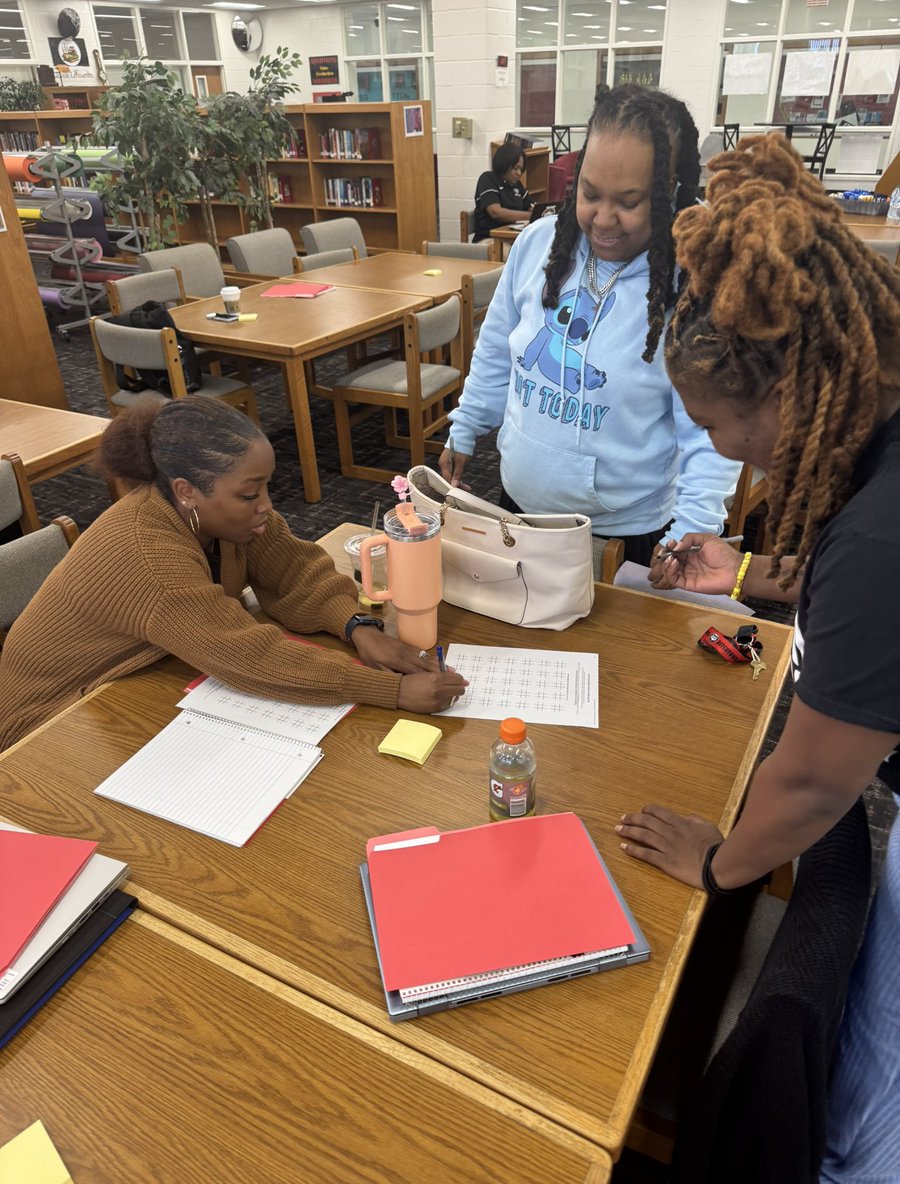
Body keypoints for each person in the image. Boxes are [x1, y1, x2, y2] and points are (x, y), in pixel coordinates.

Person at [617, 133, 900, 1184]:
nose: (726, 451)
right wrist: (755, 575)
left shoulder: (881, 541)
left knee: (861, 1149)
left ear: (789, 385)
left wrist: (719, 863)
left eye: (717, 424)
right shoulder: (876, 424)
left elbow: (821, 781)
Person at [0, 397, 466, 751]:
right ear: (187, 491)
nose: (264, 505)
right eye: (249, 493)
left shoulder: (219, 515)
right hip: (48, 723)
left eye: (266, 486)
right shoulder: (148, 555)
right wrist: (393, 690)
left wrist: (357, 625)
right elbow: (247, 656)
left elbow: (294, 572)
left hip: (133, 674)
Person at [443, 85, 742, 568]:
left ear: (671, 194)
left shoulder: (693, 284)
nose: (603, 219)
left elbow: (710, 434)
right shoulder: (539, 245)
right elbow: (498, 348)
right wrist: (466, 426)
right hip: (519, 509)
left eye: (629, 201)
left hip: (625, 536)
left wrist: (692, 531)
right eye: (589, 193)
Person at [472, 142, 533, 243]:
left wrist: (540, 212)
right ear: (504, 164)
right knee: (514, 255)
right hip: (489, 239)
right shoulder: (488, 179)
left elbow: (532, 207)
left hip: (513, 237)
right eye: (515, 168)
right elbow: (496, 212)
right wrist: (531, 216)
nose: (519, 173)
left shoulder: (517, 185)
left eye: (521, 169)